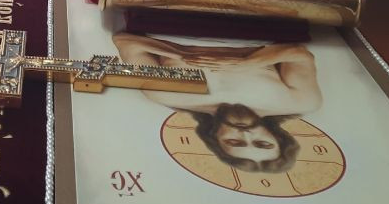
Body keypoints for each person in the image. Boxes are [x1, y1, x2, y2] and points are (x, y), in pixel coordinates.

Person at [113, 33, 321, 174]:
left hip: (176, 24)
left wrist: (184, 55)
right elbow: (299, 54)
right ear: (278, 137)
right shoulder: (300, 102)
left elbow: (126, 42)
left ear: (214, 138)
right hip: (255, 25)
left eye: (234, 142)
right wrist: (245, 63)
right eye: (262, 143)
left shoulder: (168, 96)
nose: (246, 135)